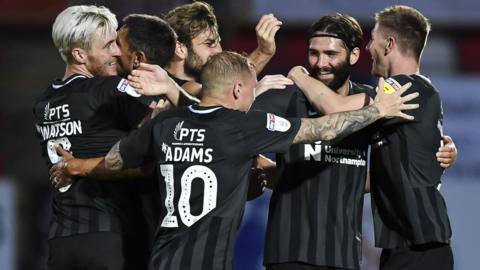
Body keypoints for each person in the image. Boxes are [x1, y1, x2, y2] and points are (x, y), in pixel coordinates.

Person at [50, 51, 419, 270]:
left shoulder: (165, 123)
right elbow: (323, 129)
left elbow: (117, 161)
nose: (253, 98)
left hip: (161, 261)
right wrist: (377, 109)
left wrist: (76, 166)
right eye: (252, 89)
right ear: (239, 89)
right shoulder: (244, 126)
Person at [251, 14, 457, 270]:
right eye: (314, 53)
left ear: (354, 55)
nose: (321, 63)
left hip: (344, 257)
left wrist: (444, 151)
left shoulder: (375, 101)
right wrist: (258, 169)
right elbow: (225, 120)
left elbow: (398, 154)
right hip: (290, 253)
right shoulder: (284, 95)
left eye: (330, 54)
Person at [33, 6, 181, 270]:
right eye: (108, 45)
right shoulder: (110, 90)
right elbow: (148, 152)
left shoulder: (43, 103)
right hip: (110, 236)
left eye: (115, 43)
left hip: (62, 241)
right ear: (79, 54)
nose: (116, 52)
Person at [365, 5, 454, 269]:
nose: (369, 46)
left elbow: (336, 108)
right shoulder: (418, 92)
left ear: (389, 44)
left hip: (421, 248)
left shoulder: (408, 89)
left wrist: (300, 78)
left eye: (373, 38)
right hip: (402, 246)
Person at [163, 1, 284, 97]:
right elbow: (216, 93)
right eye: (209, 44)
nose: (218, 51)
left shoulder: (202, 79)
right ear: (180, 48)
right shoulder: (157, 88)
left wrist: (264, 51)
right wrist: (250, 93)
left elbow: (228, 79)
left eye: (218, 42)